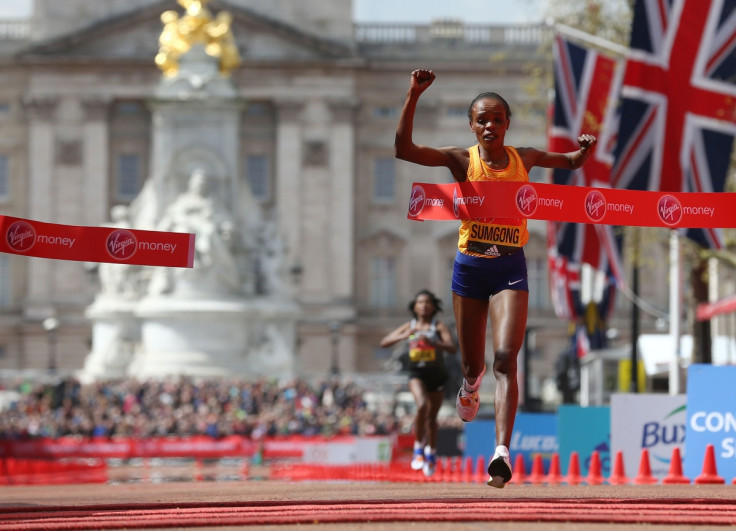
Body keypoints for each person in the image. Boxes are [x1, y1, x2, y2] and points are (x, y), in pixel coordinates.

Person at [394, 69, 597, 488]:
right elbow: (404, 149)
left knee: (506, 358)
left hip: (510, 267)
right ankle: (470, 385)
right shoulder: (460, 159)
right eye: (482, 119)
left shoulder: (527, 158)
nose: (490, 126)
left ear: (507, 124)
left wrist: (583, 150)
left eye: (497, 119)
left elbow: (572, 163)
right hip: (470, 268)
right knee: (474, 364)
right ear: (472, 125)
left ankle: (502, 452)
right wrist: (413, 94)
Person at [380, 289, 456, 477]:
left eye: (428, 302)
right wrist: (404, 335)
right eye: (420, 302)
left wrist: (433, 341)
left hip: (436, 373)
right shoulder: (410, 325)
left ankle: (431, 451)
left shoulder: (438, 326)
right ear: (414, 306)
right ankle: (418, 448)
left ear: (433, 306)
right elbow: (385, 342)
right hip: (416, 372)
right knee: (422, 405)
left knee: (432, 418)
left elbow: (451, 347)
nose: (424, 305)